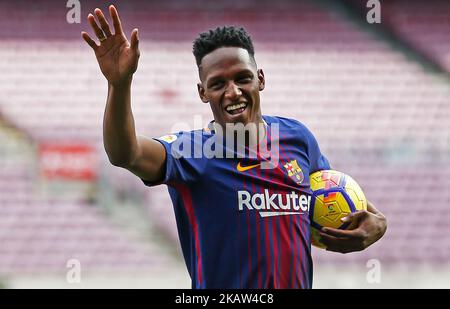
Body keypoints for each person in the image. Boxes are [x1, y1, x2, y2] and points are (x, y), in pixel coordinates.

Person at [82, 5, 387, 289]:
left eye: (243, 78)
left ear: (261, 79)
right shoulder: (193, 153)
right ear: (203, 92)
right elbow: (125, 153)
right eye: (218, 84)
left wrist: (378, 224)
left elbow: (342, 196)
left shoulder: (298, 139)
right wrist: (119, 85)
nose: (233, 92)